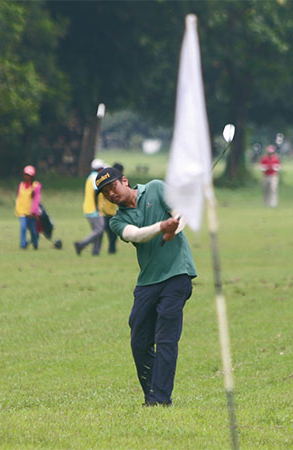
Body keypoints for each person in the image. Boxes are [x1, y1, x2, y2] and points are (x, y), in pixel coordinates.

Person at [95, 167, 196, 407]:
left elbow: (180, 214)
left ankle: (160, 399)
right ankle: (152, 394)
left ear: (124, 181)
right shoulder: (117, 220)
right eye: (105, 192)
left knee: (166, 338)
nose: (111, 194)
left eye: (113, 187)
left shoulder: (156, 188)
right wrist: (162, 227)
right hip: (148, 281)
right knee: (139, 341)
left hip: (176, 274)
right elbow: (137, 235)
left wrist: (174, 228)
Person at [74, 159, 106, 256]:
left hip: (88, 208)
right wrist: (97, 207)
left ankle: (95, 251)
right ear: (100, 169)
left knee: (97, 230)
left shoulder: (90, 177)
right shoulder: (96, 177)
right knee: (99, 230)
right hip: (94, 209)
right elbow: (96, 192)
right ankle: (81, 244)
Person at [98, 163, 124, 254]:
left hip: (106, 212)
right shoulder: (112, 183)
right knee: (112, 234)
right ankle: (111, 250)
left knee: (110, 234)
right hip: (109, 212)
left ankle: (110, 250)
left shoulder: (107, 182)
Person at [15, 165, 41, 249]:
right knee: (23, 227)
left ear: (32, 176)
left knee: (33, 230)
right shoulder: (21, 185)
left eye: (29, 175)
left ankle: (35, 243)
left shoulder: (36, 186)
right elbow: (18, 198)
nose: (27, 177)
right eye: (26, 175)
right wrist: (17, 209)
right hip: (22, 211)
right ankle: (23, 245)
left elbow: (36, 200)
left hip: (31, 213)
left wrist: (34, 212)